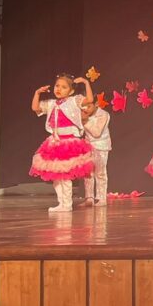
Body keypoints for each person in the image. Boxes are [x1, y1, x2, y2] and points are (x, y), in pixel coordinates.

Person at [29, 74, 95, 212]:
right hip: (55, 142)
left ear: (71, 91)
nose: (59, 89)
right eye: (57, 86)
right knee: (56, 177)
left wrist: (86, 82)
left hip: (69, 143)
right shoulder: (51, 103)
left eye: (64, 87)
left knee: (65, 177)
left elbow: (89, 99)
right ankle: (61, 203)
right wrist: (37, 93)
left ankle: (67, 204)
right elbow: (35, 108)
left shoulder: (74, 101)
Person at [81, 100, 111, 206]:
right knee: (88, 173)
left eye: (88, 106)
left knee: (100, 173)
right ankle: (89, 198)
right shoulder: (84, 114)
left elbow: (96, 132)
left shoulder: (103, 115)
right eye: (83, 106)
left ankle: (101, 198)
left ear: (96, 104)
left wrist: (85, 121)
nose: (85, 109)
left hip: (101, 146)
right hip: (87, 146)